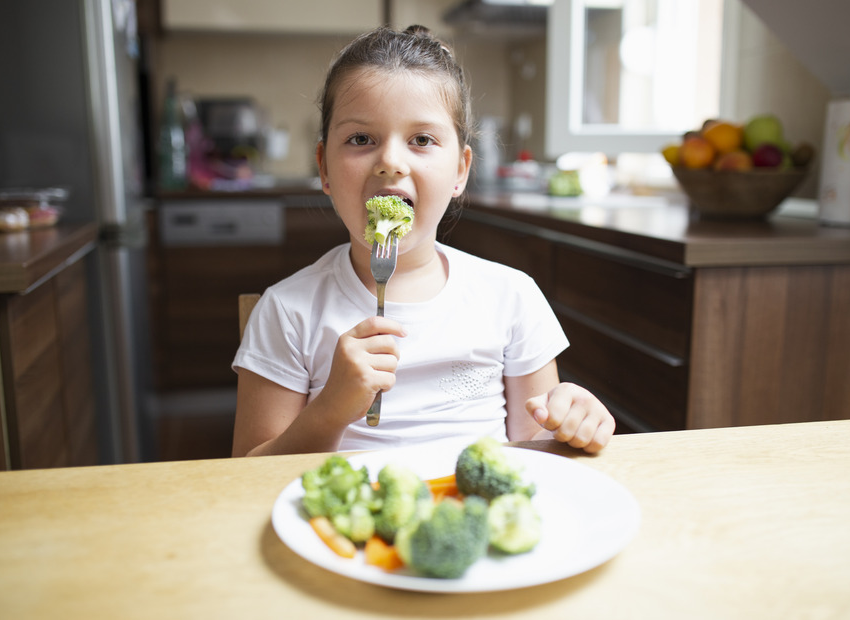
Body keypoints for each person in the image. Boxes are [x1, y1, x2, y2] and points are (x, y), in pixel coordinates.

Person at [232, 25, 614, 457]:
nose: (391, 162)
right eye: (361, 139)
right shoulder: (287, 311)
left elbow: (537, 450)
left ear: (460, 170)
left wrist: (572, 422)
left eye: (422, 140)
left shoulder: (512, 297)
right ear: (323, 167)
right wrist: (330, 410)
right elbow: (248, 474)